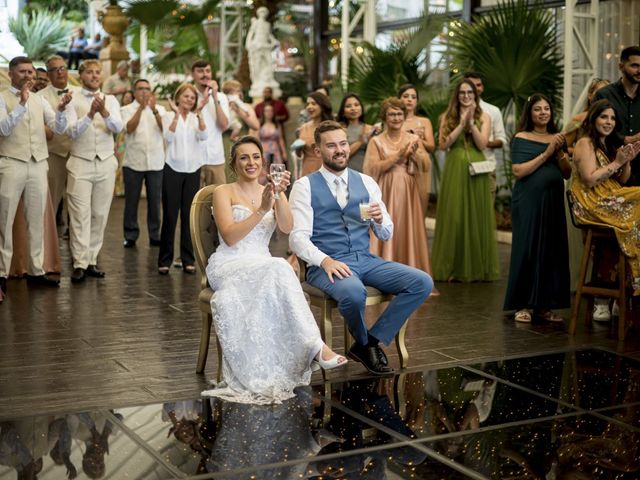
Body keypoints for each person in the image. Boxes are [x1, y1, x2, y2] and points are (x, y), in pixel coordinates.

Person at [203, 136, 347, 403]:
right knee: (280, 266)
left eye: (256, 157)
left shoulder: (269, 190)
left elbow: (287, 228)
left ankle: (313, 349)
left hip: (262, 263)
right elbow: (231, 237)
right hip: (230, 263)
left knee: (278, 267)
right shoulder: (224, 191)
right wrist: (260, 210)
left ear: (264, 161)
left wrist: (279, 195)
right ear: (234, 164)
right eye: (244, 157)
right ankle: (317, 348)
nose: (251, 162)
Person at [289, 120, 433, 375]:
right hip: (326, 265)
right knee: (354, 293)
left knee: (422, 282)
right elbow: (297, 239)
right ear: (318, 151)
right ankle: (366, 344)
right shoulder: (304, 186)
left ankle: (370, 342)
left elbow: (386, 232)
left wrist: (380, 219)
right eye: (331, 145)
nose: (340, 149)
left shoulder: (366, 182)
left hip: (366, 259)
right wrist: (325, 261)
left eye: (343, 143)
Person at [0, 56, 71, 303]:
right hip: (11, 162)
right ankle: (1, 274)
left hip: (38, 163)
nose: (28, 76)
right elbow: (3, 129)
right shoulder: (2, 97)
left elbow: (58, 128)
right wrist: (20, 105)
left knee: (37, 219)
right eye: (22, 72)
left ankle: (36, 271)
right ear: (11, 74)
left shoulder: (40, 100)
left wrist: (61, 110)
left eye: (31, 72)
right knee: (5, 220)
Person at [504, 93, 571, 322]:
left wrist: (560, 152)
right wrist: (547, 153)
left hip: (553, 201)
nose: (543, 112)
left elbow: (567, 173)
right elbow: (519, 171)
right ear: (530, 114)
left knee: (551, 251)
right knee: (528, 247)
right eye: (538, 109)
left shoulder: (558, 138)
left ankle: (545, 305)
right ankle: (522, 304)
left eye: (546, 109)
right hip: (529, 202)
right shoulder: (522, 137)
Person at [431, 79, 499, 283]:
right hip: (455, 167)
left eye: (470, 92)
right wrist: (461, 125)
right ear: (457, 95)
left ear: (475, 95)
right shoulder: (446, 116)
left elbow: (483, 143)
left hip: (477, 166)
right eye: (462, 93)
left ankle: (477, 268)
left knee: (477, 215)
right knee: (455, 215)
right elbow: (443, 144)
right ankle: (452, 267)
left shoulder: (484, 116)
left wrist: (472, 125)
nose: (466, 96)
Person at [363, 98, 435, 291]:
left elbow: (426, 165)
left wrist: (415, 155)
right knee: (383, 226)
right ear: (384, 117)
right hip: (385, 188)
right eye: (391, 114)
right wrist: (399, 155)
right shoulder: (376, 141)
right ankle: (382, 277)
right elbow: (372, 169)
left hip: (408, 190)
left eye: (399, 114)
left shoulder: (413, 139)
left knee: (406, 229)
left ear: (404, 116)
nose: (395, 118)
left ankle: (409, 276)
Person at [570, 99, 640, 295]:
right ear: (593, 118)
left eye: (612, 118)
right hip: (591, 202)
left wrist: (626, 162)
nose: (609, 122)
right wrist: (617, 162)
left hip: (609, 196)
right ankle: (634, 278)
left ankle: (629, 280)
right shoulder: (585, 142)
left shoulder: (605, 143)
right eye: (604, 117)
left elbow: (623, 180)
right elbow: (590, 180)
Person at [65, 59, 123, 283]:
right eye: (89, 72)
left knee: (100, 214)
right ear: (81, 75)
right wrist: (90, 114)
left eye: (97, 72)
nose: (94, 76)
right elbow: (71, 132)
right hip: (80, 161)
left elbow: (118, 127)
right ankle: (78, 262)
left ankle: (91, 260)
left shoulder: (111, 100)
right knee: (80, 214)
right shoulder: (72, 97)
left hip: (106, 161)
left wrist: (105, 111)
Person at [157, 83, 207, 275]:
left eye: (192, 98)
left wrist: (201, 115)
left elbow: (204, 136)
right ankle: (164, 259)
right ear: (178, 98)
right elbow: (168, 137)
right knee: (170, 215)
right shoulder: (168, 116)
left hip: (193, 169)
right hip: (172, 168)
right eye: (186, 96)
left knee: (189, 216)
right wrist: (176, 114)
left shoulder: (196, 118)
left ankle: (188, 259)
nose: (189, 100)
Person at [120, 79, 166, 249]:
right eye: (140, 89)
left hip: (156, 162)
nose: (144, 92)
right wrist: (140, 107)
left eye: (147, 89)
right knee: (131, 202)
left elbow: (166, 130)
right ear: (134, 91)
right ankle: (130, 235)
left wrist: (153, 110)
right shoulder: (125, 109)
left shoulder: (159, 109)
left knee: (155, 201)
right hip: (133, 162)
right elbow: (129, 128)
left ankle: (155, 235)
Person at [38, 55, 78, 236]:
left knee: (78, 202)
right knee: (51, 202)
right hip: (54, 153)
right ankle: (46, 245)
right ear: (48, 74)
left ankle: (79, 247)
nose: (60, 72)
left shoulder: (80, 92)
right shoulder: (40, 97)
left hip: (78, 153)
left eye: (63, 68)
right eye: (55, 69)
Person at [593, 46, 640, 185]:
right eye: (634, 66)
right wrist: (624, 139)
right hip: (611, 169)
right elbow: (593, 129)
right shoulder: (604, 95)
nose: (639, 71)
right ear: (621, 66)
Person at [462, 73, 507, 200]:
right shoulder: (454, 111)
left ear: (482, 87)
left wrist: (483, 141)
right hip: (462, 167)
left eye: (479, 85)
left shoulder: (492, 111)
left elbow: (502, 140)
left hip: (485, 166)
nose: (476, 89)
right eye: (472, 85)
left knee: (485, 214)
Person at [190, 59, 230, 186]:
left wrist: (215, 97)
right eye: (200, 71)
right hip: (193, 159)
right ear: (193, 75)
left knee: (218, 200)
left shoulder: (221, 97)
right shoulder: (188, 97)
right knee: (194, 203)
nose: (205, 74)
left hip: (215, 158)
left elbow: (224, 125)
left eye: (207, 71)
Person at [398, 84, 436, 211]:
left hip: (421, 167)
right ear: (399, 99)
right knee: (401, 207)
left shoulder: (424, 121)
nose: (409, 99)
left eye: (413, 97)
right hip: (400, 167)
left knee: (420, 206)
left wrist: (418, 138)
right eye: (406, 96)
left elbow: (431, 146)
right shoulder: (395, 120)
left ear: (417, 101)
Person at [294, 91, 333, 177]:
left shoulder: (332, 127)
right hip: (307, 171)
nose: (309, 107)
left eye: (313, 103)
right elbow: (299, 155)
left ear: (322, 106)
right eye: (308, 104)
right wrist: (298, 149)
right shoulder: (303, 128)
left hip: (328, 170)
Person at [336, 93, 375, 173]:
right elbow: (342, 154)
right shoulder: (339, 129)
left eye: (356, 105)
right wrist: (360, 142)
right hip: (344, 172)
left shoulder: (369, 128)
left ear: (361, 108)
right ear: (343, 111)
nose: (353, 108)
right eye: (348, 106)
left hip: (365, 173)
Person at [252, 103, 287, 177]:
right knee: (263, 174)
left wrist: (284, 152)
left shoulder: (277, 124)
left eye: (271, 111)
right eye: (267, 111)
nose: (269, 113)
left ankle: (278, 187)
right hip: (263, 151)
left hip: (275, 151)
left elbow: (281, 140)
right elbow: (256, 140)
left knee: (277, 173)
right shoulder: (259, 124)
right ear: (263, 112)